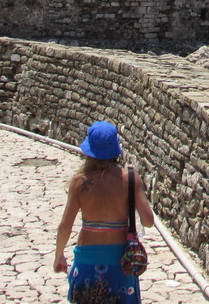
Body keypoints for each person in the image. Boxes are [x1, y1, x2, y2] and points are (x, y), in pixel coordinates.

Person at [54, 121, 155, 304]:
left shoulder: (79, 182)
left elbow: (64, 227)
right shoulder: (131, 178)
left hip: (87, 258)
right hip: (121, 261)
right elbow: (148, 221)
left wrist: (59, 255)